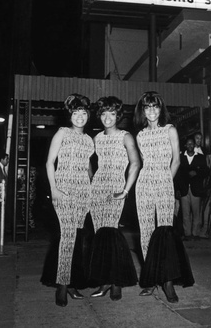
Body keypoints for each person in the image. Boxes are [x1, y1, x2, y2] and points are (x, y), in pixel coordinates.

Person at [134, 91, 194, 303]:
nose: (151, 111)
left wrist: (165, 181)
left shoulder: (170, 130)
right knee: (146, 232)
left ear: (161, 109)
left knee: (165, 232)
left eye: (155, 106)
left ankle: (167, 281)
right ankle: (151, 279)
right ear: (142, 110)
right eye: (147, 107)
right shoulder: (140, 135)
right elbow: (141, 163)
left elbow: (176, 160)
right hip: (144, 184)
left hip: (165, 182)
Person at [89, 96, 140, 301]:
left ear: (118, 115)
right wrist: (91, 180)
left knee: (111, 234)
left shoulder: (126, 136)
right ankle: (105, 280)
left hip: (115, 190)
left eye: (112, 113)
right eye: (103, 113)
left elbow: (135, 164)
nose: (107, 117)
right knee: (99, 236)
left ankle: (117, 281)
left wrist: (126, 191)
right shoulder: (96, 138)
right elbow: (87, 161)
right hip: (97, 190)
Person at [45, 93, 94, 307]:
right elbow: (49, 163)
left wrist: (92, 190)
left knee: (77, 240)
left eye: (83, 113)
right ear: (70, 115)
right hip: (64, 192)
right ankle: (62, 287)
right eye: (75, 113)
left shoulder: (89, 140)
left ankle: (72, 282)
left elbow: (88, 167)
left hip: (84, 193)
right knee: (66, 237)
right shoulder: (62, 133)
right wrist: (54, 189)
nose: (80, 117)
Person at [177, 137, 209, 240]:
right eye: (188, 144)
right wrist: (177, 189)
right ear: (185, 145)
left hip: (196, 189)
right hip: (184, 189)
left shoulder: (200, 157)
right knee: (185, 213)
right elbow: (177, 175)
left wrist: (197, 172)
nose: (190, 146)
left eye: (192, 144)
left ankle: (195, 233)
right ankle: (187, 234)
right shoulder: (180, 157)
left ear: (194, 146)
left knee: (196, 213)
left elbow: (206, 172)